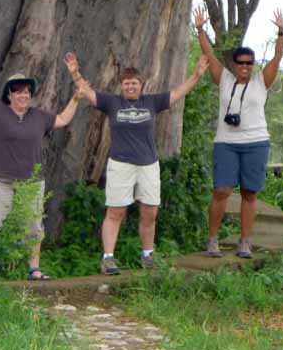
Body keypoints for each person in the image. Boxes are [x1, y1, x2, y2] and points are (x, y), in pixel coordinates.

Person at [66, 52, 209, 275]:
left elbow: (179, 92)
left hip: (148, 165)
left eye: (134, 83)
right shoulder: (112, 102)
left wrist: (197, 75)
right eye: (126, 84)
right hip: (121, 165)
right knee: (116, 212)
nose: (130, 87)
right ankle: (108, 258)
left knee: (150, 212)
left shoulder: (151, 102)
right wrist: (75, 73)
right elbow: (87, 92)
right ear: (121, 86)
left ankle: (147, 255)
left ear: (142, 85)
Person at [0, 52, 84, 281]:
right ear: (9, 95)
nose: (23, 94)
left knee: (33, 226)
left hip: (31, 182)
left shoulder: (38, 116)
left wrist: (76, 99)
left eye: (26, 91)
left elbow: (62, 120)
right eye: (18, 90)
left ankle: (34, 269)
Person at [195, 6, 283, 259]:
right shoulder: (224, 80)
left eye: (249, 63)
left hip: (256, 142)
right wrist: (200, 29)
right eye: (241, 63)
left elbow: (277, 58)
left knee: (249, 192)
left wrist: (281, 32)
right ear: (234, 65)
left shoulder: (261, 82)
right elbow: (209, 54)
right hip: (226, 142)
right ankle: (212, 240)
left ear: (253, 65)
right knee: (221, 190)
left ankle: (244, 242)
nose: (245, 67)